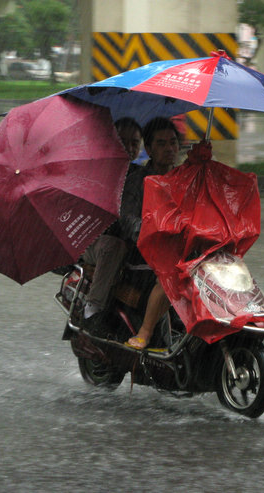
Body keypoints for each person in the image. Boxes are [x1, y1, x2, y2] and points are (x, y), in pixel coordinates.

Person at [119, 117, 181, 349]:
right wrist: (152, 233)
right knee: (169, 277)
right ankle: (146, 332)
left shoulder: (184, 179)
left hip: (181, 248)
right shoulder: (137, 182)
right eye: (162, 143)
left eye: (173, 143)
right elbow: (128, 219)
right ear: (149, 149)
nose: (169, 149)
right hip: (145, 253)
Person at [80, 118, 142, 335]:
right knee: (111, 245)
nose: (129, 147)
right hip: (94, 242)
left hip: (132, 242)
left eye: (135, 142)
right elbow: (124, 216)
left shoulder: (140, 174)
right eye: (123, 141)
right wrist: (141, 231)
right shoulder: (96, 172)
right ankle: (92, 310)